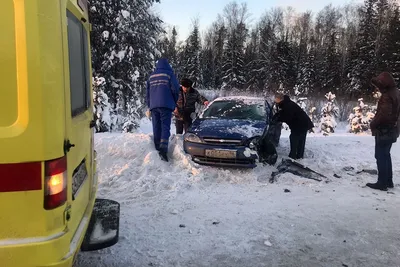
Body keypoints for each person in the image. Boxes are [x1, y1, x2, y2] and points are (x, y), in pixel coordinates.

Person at [367, 72, 400, 191]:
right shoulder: (396, 92)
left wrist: (373, 123)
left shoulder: (387, 96)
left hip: (384, 129)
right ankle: (388, 180)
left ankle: (382, 182)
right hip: (392, 129)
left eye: (379, 84)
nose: (378, 87)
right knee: (386, 154)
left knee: (380, 155)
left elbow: (383, 115)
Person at [146, 58, 180, 162]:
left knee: (156, 126)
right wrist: (174, 102)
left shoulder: (151, 76)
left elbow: (148, 93)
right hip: (166, 105)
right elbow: (175, 89)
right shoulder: (169, 74)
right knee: (165, 126)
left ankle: (156, 146)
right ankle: (163, 149)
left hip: (154, 106)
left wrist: (149, 105)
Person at [272, 93, 314, 160]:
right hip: (302, 123)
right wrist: (277, 116)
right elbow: (282, 112)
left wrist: (277, 119)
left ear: (280, 99)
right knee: (300, 140)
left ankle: (293, 157)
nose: (275, 101)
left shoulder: (287, 105)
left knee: (294, 139)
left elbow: (287, 117)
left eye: (276, 99)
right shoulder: (286, 103)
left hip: (300, 124)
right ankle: (299, 156)